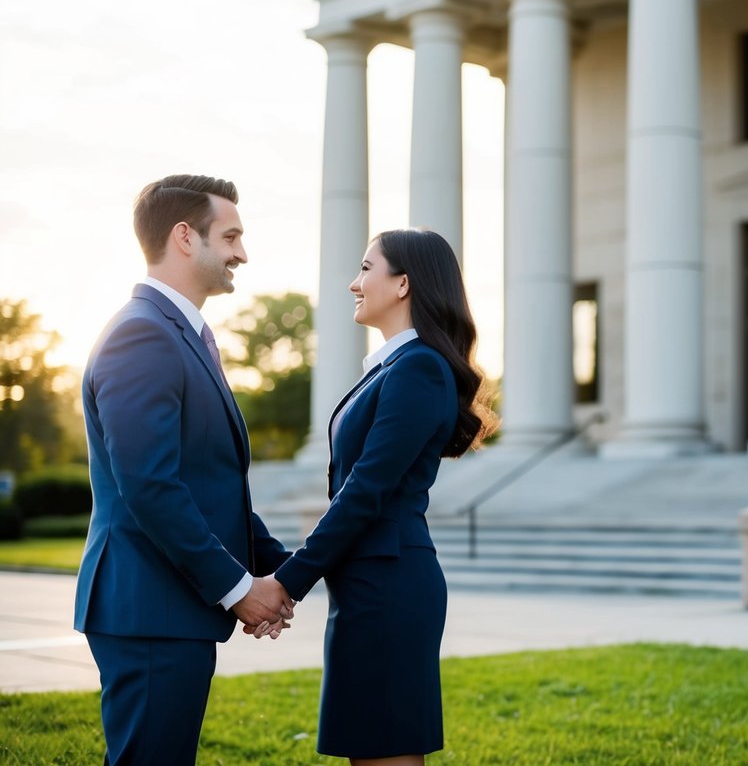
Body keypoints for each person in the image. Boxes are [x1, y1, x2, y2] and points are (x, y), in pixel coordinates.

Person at [74, 174, 296, 765]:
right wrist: (238, 589)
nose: (241, 253)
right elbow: (150, 488)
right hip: (149, 606)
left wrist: (290, 571)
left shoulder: (186, 335)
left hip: (169, 606)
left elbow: (209, 485)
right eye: (231, 236)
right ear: (183, 237)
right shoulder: (142, 334)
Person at [272, 228, 495, 765]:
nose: (354, 282)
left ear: (403, 284)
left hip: (389, 590)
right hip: (369, 586)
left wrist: (288, 583)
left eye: (366, 268)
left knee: (384, 752)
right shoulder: (393, 367)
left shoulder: (418, 368)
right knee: (368, 751)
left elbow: (365, 490)